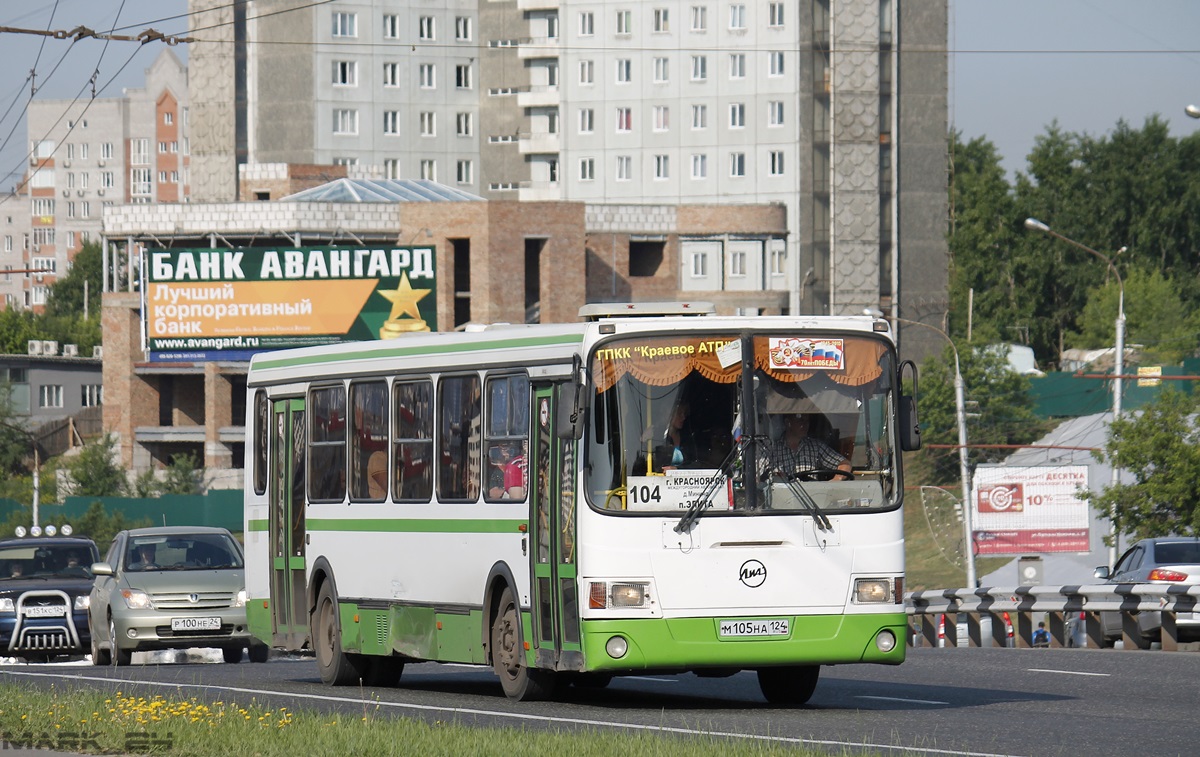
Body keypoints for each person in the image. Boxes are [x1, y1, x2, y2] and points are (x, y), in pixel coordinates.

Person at [766, 413, 851, 479]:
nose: (805, 424)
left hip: (811, 499)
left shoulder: (816, 447)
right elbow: (758, 476)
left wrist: (836, 480)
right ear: (788, 423)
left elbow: (844, 464)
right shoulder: (772, 449)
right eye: (800, 421)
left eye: (807, 421)